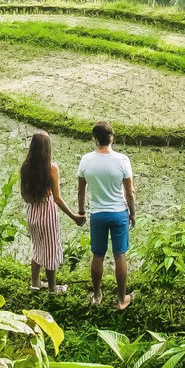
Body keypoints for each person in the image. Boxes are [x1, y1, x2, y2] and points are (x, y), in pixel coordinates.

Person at [75, 120, 136, 309]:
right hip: (119, 213)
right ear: (112, 138)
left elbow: (81, 191)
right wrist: (132, 214)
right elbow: (129, 192)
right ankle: (120, 299)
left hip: (98, 214)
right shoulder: (122, 160)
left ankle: (96, 295)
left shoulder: (86, 160)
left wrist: (82, 211)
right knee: (120, 255)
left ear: (95, 140)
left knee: (98, 255)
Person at [19, 131, 80, 294]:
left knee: (38, 248)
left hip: (32, 214)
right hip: (47, 216)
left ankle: (35, 283)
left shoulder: (25, 167)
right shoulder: (51, 168)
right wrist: (74, 216)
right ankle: (53, 289)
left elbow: (24, 195)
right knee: (51, 251)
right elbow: (57, 199)